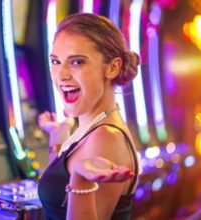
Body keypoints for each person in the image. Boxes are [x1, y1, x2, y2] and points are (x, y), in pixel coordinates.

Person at [37, 13, 140, 220]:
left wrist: (81, 181)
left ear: (112, 68)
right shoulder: (92, 127)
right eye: (56, 61)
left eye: (76, 62)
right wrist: (58, 138)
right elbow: (58, 200)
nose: (62, 75)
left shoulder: (106, 138)